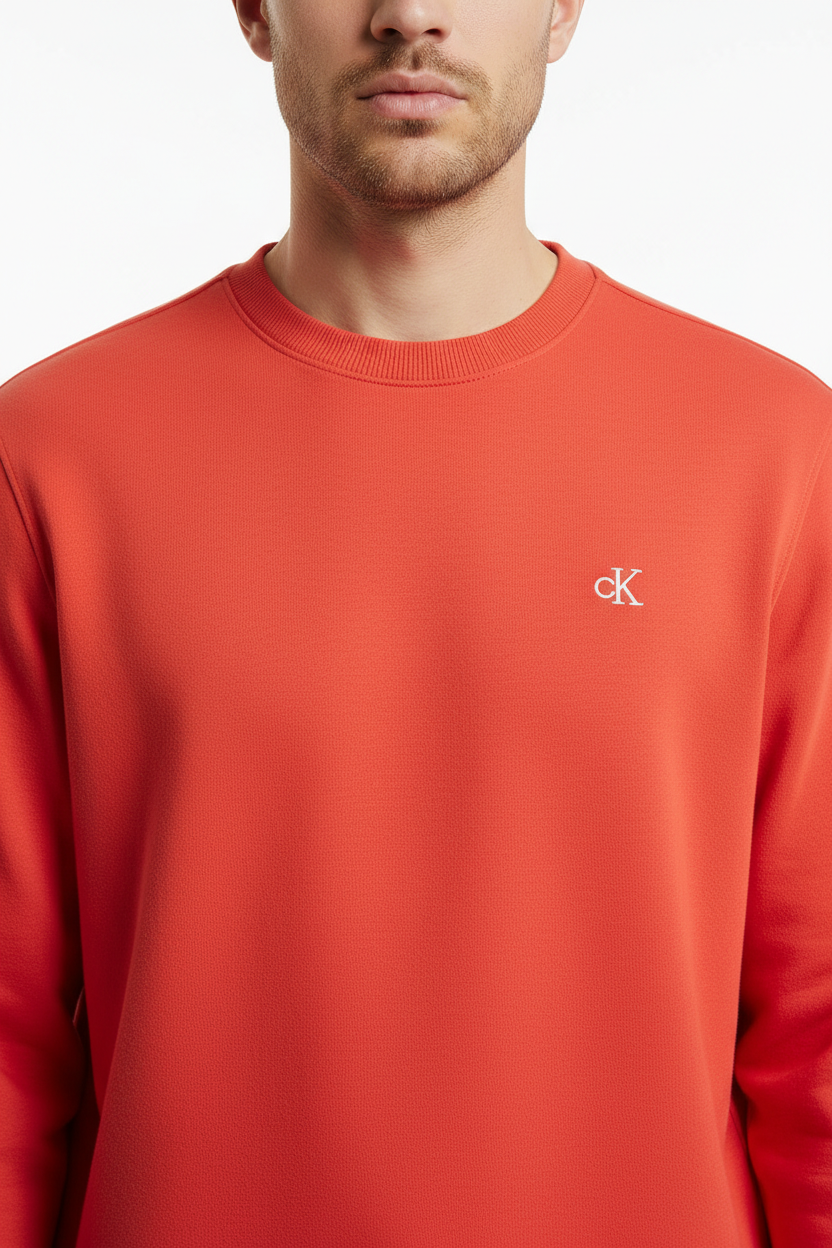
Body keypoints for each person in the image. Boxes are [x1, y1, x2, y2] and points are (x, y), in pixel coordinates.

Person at [0, 1, 829, 1244]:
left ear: (561, 9)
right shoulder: (54, 454)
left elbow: (818, 1024)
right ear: (254, 11)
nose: (411, 15)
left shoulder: (770, 449)